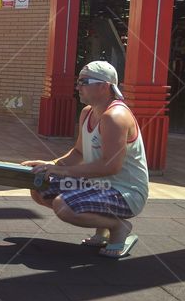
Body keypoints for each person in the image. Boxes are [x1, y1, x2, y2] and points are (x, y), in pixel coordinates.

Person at [22, 61, 149, 259]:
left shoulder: (115, 116)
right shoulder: (87, 112)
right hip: (101, 184)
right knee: (41, 187)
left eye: (84, 82)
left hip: (126, 192)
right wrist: (51, 166)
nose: (78, 86)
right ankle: (102, 229)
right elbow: (79, 153)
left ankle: (118, 227)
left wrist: (62, 172)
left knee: (63, 205)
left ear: (104, 86)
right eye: (78, 81)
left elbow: (110, 166)